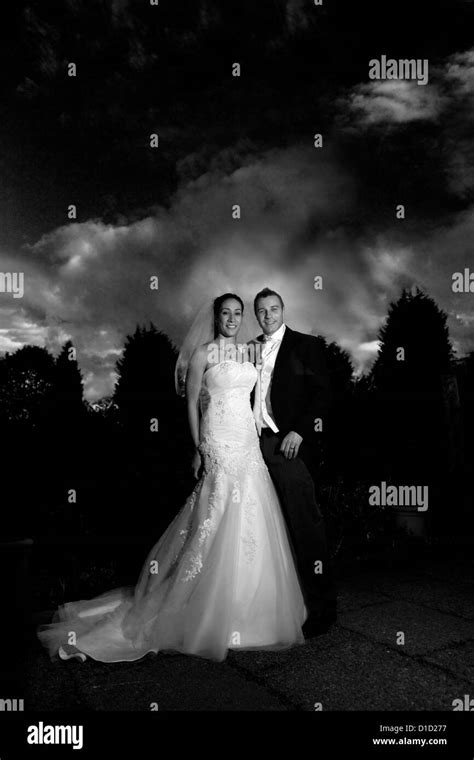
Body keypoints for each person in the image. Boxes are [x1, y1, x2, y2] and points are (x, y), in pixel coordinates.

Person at [37, 293, 306, 663]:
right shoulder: (202, 355)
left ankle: (253, 611)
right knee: (215, 520)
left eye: (237, 314)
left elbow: (258, 400)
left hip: (248, 443)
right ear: (216, 317)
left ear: (243, 318)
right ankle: (207, 611)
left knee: (254, 517)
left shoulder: (248, 353)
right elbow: (193, 404)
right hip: (218, 441)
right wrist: (200, 448)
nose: (231, 318)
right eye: (225, 313)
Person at [252, 287, 337, 637]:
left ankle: (321, 609)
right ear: (256, 315)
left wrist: (300, 432)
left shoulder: (307, 345)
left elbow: (324, 394)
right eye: (261, 311)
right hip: (250, 444)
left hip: (285, 444)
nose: (268, 316)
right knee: (263, 526)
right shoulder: (248, 349)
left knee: (305, 524)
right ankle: (269, 606)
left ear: (283, 310)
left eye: (274, 309)